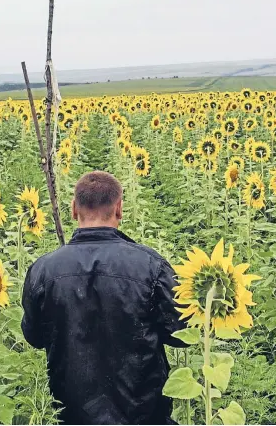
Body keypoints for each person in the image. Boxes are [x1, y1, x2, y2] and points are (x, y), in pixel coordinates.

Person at [21, 170, 187, 425]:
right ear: (119, 208)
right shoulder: (151, 266)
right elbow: (181, 334)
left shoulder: (44, 271)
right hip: (142, 415)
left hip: (71, 415)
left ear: (74, 209)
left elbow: (34, 337)